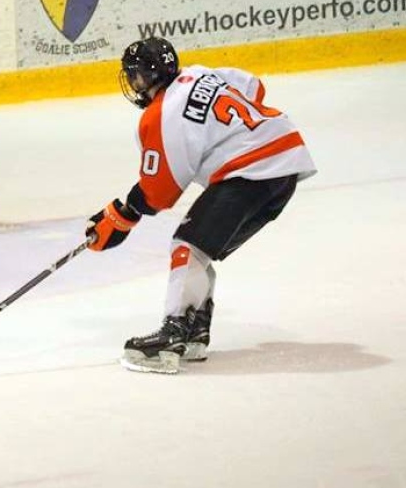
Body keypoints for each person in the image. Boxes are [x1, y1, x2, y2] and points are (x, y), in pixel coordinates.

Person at [85, 37, 317, 374]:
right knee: (199, 249)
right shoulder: (199, 73)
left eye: (135, 75)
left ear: (149, 77)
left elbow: (160, 190)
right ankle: (195, 332)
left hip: (251, 169)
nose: (133, 83)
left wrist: (124, 215)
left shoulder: (160, 115)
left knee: (187, 247)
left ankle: (173, 333)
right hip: (285, 166)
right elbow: (254, 87)